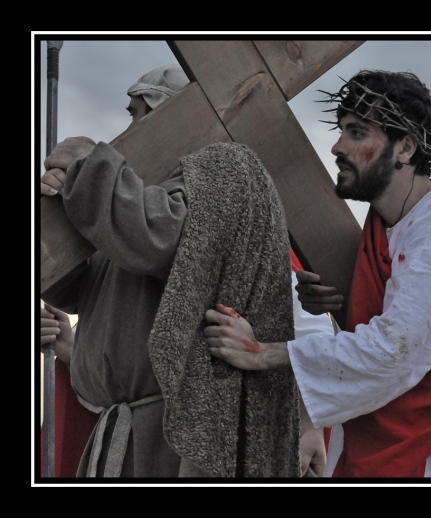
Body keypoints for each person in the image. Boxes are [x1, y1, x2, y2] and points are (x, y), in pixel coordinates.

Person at [203, 70, 431, 478]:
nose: (338, 146)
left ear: (405, 147)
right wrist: (340, 305)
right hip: (395, 431)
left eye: (357, 133)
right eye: (341, 132)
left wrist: (264, 353)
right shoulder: (386, 225)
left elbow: (396, 348)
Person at [40, 63, 328, 477]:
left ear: (172, 114)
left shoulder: (224, 170)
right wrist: (57, 213)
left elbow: (158, 239)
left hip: (180, 438)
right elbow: (81, 288)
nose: (127, 132)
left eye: (137, 112)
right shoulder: (131, 202)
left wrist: (91, 165)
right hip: (122, 433)